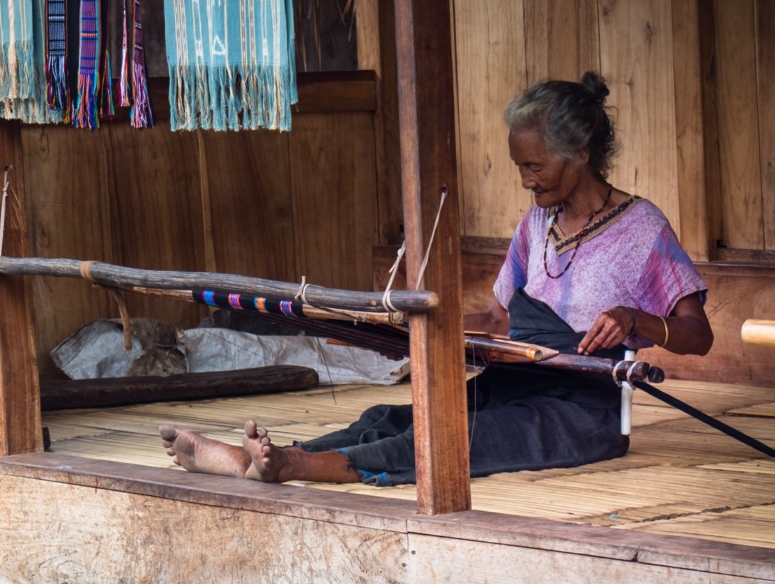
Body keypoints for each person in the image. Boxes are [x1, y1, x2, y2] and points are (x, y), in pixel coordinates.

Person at [160, 72, 713, 485]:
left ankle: (291, 465)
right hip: (515, 384)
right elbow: (498, 322)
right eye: (519, 166)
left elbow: (699, 335)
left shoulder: (643, 228)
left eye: (536, 166)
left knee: (461, 439)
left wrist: (635, 320)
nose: (525, 181)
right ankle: (253, 461)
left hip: (582, 410)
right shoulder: (535, 224)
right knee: (392, 415)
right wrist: (407, 324)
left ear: (583, 153)